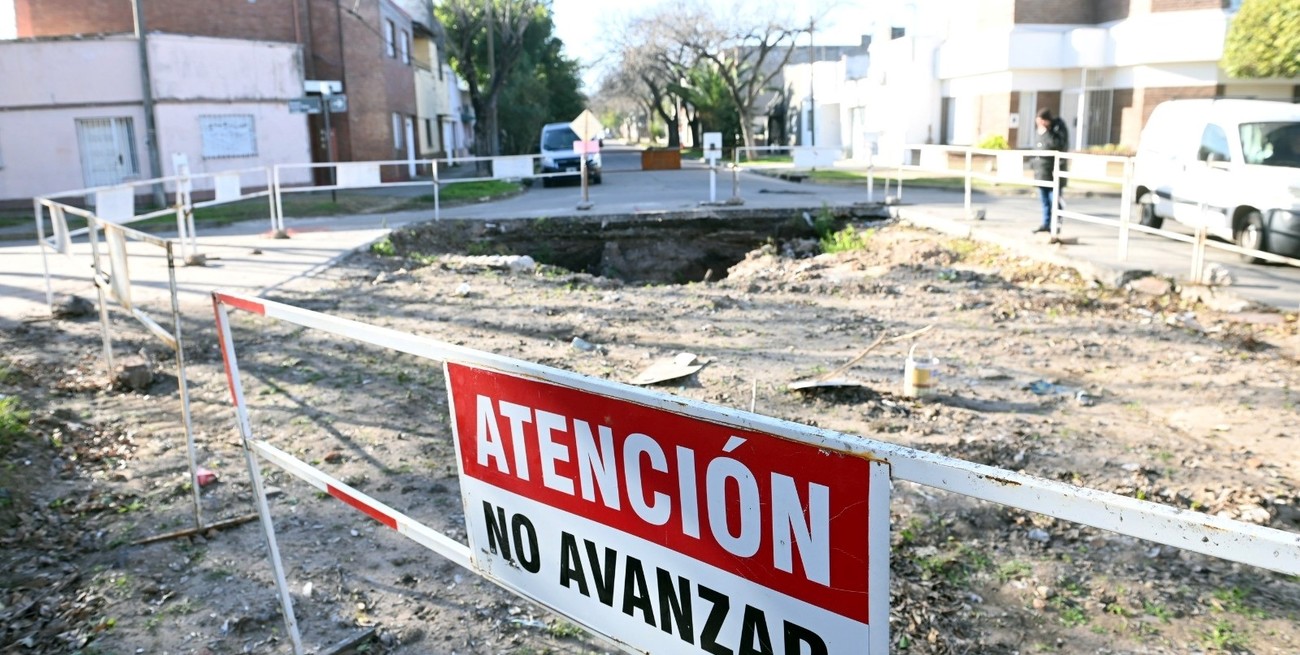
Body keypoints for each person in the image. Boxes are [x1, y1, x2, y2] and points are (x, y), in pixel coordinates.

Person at [1030, 108, 1069, 234]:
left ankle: (1056, 223)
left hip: (1053, 171)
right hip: (1041, 171)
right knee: (1044, 200)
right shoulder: (1039, 132)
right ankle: (1046, 224)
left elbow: (1058, 145)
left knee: (1054, 199)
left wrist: (1047, 132)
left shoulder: (1057, 129)